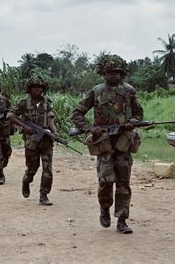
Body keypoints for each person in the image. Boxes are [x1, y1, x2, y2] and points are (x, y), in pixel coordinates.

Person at [71, 54, 143, 234]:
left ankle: (122, 219)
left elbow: (139, 114)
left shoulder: (129, 91)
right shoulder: (96, 91)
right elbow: (77, 113)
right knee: (105, 180)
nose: (113, 75)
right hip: (104, 142)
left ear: (122, 73)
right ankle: (104, 209)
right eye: (109, 72)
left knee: (123, 183)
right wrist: (90, 128)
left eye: (117, 72)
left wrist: (131, 122)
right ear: (103, 73)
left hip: (123, 142)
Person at [8, 75, 58, 205]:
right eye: (34, 87)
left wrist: (54, 132)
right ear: (30, 89)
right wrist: (25, 126)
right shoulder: (24, 102)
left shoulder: (47, 101)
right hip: (32, 140)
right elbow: (11, 115)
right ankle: (26, 180)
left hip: (46, 139)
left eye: (39, 87)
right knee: (32, 167)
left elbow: (51, 117)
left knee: (48, 168)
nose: (37, 89)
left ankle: (44, 194)